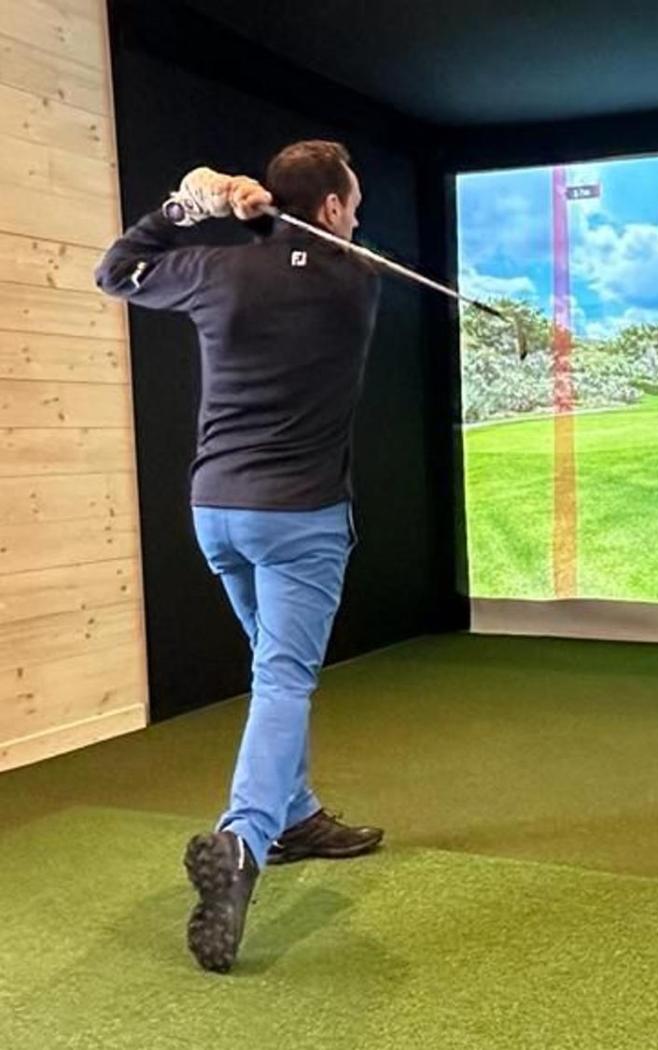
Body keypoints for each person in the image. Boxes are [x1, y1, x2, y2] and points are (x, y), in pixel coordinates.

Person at [95, 141, 385, 973]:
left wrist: (194, 206)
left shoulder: (213, 271)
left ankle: (296, 815)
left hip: (215, 512)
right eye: (352, 204)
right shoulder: (357, 281)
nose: (356, 218)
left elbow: (116, 272)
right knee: (284, 681)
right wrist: (260, 218)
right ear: (332, 209)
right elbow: (320, 254)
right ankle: (247, 839)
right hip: (299, 520)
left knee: (270, 669)